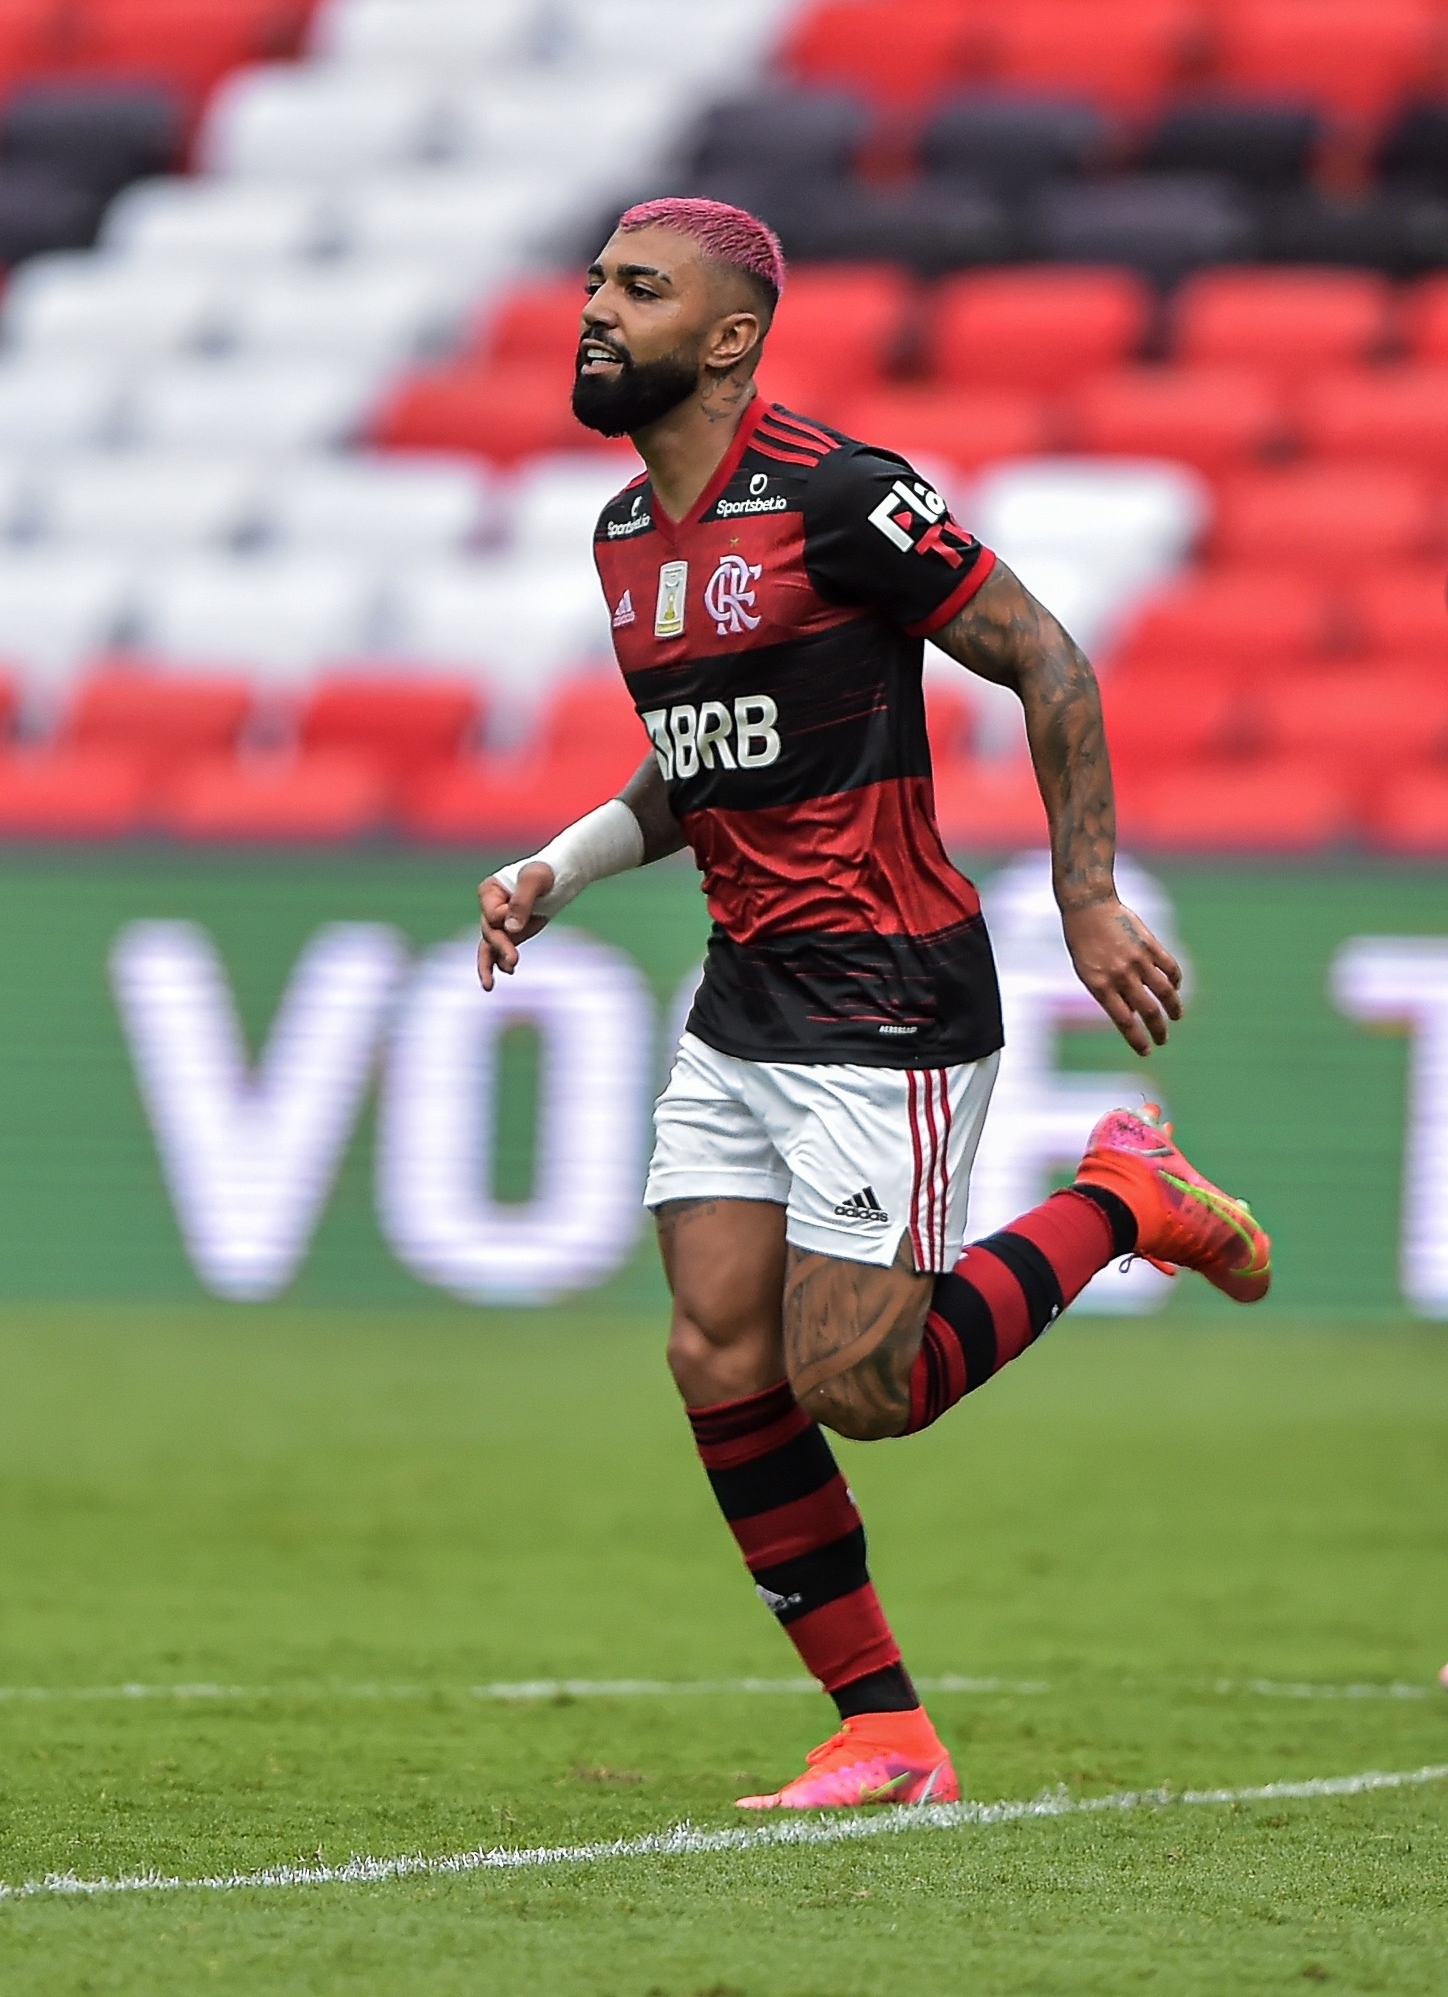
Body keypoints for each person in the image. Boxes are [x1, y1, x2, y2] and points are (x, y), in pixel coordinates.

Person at [475, 198, 1271, 1811]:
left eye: (640, 289)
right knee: (714, 1345)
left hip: (884, 989)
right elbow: (707, 763)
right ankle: (885, 1727)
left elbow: (1049, 659)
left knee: (866, 1385)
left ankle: (1126, 1196)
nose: (597, 311)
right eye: (593, 283)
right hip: (742, 990)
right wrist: (558, 866)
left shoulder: (843, 496)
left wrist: (1090, 895)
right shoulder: (630, 537)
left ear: (731, 333)